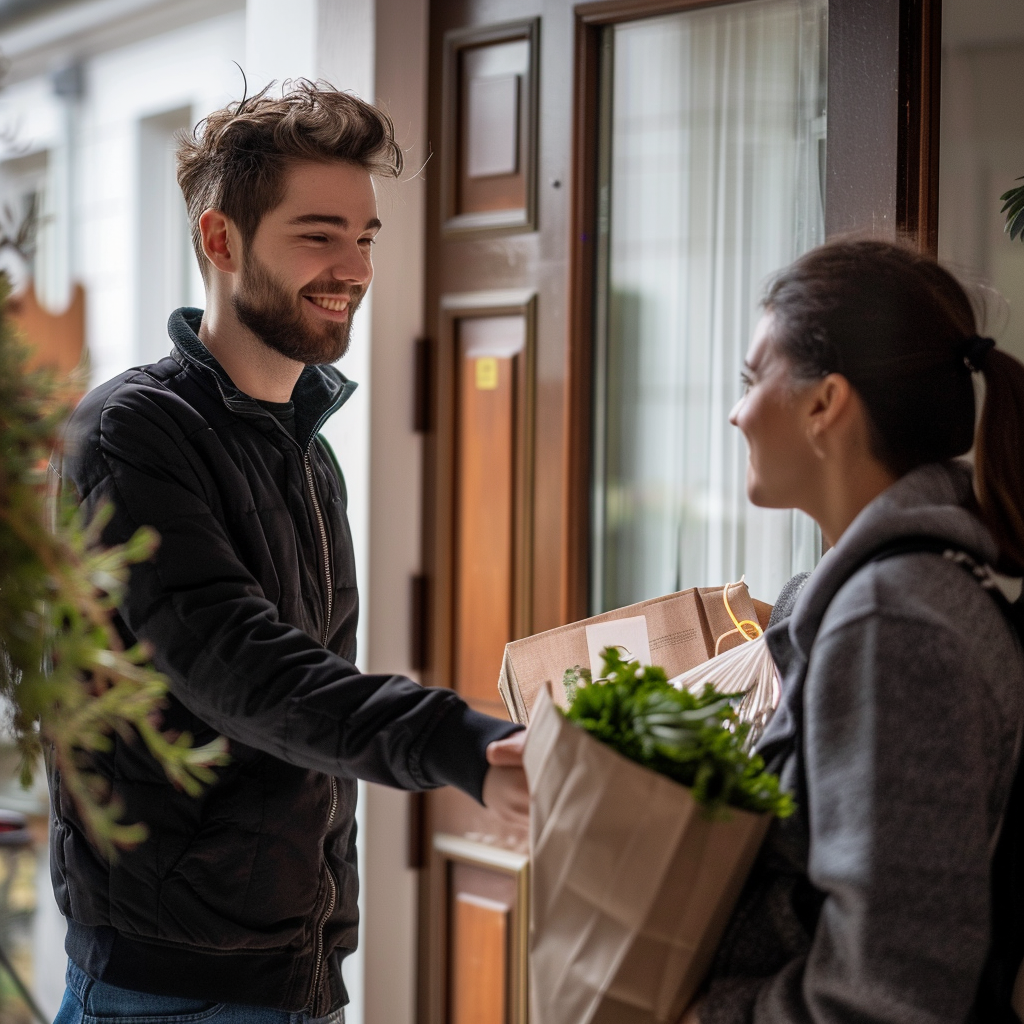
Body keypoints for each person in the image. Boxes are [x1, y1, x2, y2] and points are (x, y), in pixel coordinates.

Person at [49, 82, 528, 1024]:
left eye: (367, 236)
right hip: (168, 991)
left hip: (297, 973)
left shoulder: (305, 449)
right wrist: (457, 743)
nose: (354, 266)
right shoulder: (130, 433)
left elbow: (302, 712)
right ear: (222, 242)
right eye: (318, 234)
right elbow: (237, 667)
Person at [688, 238, 1024, 1023]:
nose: (738, 412)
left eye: (751, 379)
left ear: (824, 404)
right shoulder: (893, 596)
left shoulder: (894, 623)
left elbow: (890, 991)